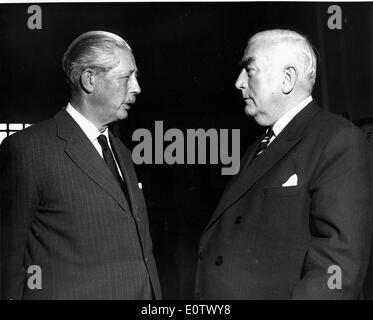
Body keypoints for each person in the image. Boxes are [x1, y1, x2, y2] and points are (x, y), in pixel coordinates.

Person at [195, 29, 372, 299]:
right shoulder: (260, 145)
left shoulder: (338, 139)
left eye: (249, 70)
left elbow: (337, 272)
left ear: (287, 78)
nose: (239, 82)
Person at [0, 31, 161, 299]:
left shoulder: (120, 151)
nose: (137, 88)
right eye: (126, 77)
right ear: (90, 79)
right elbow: (6, 266)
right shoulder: (28, 150)